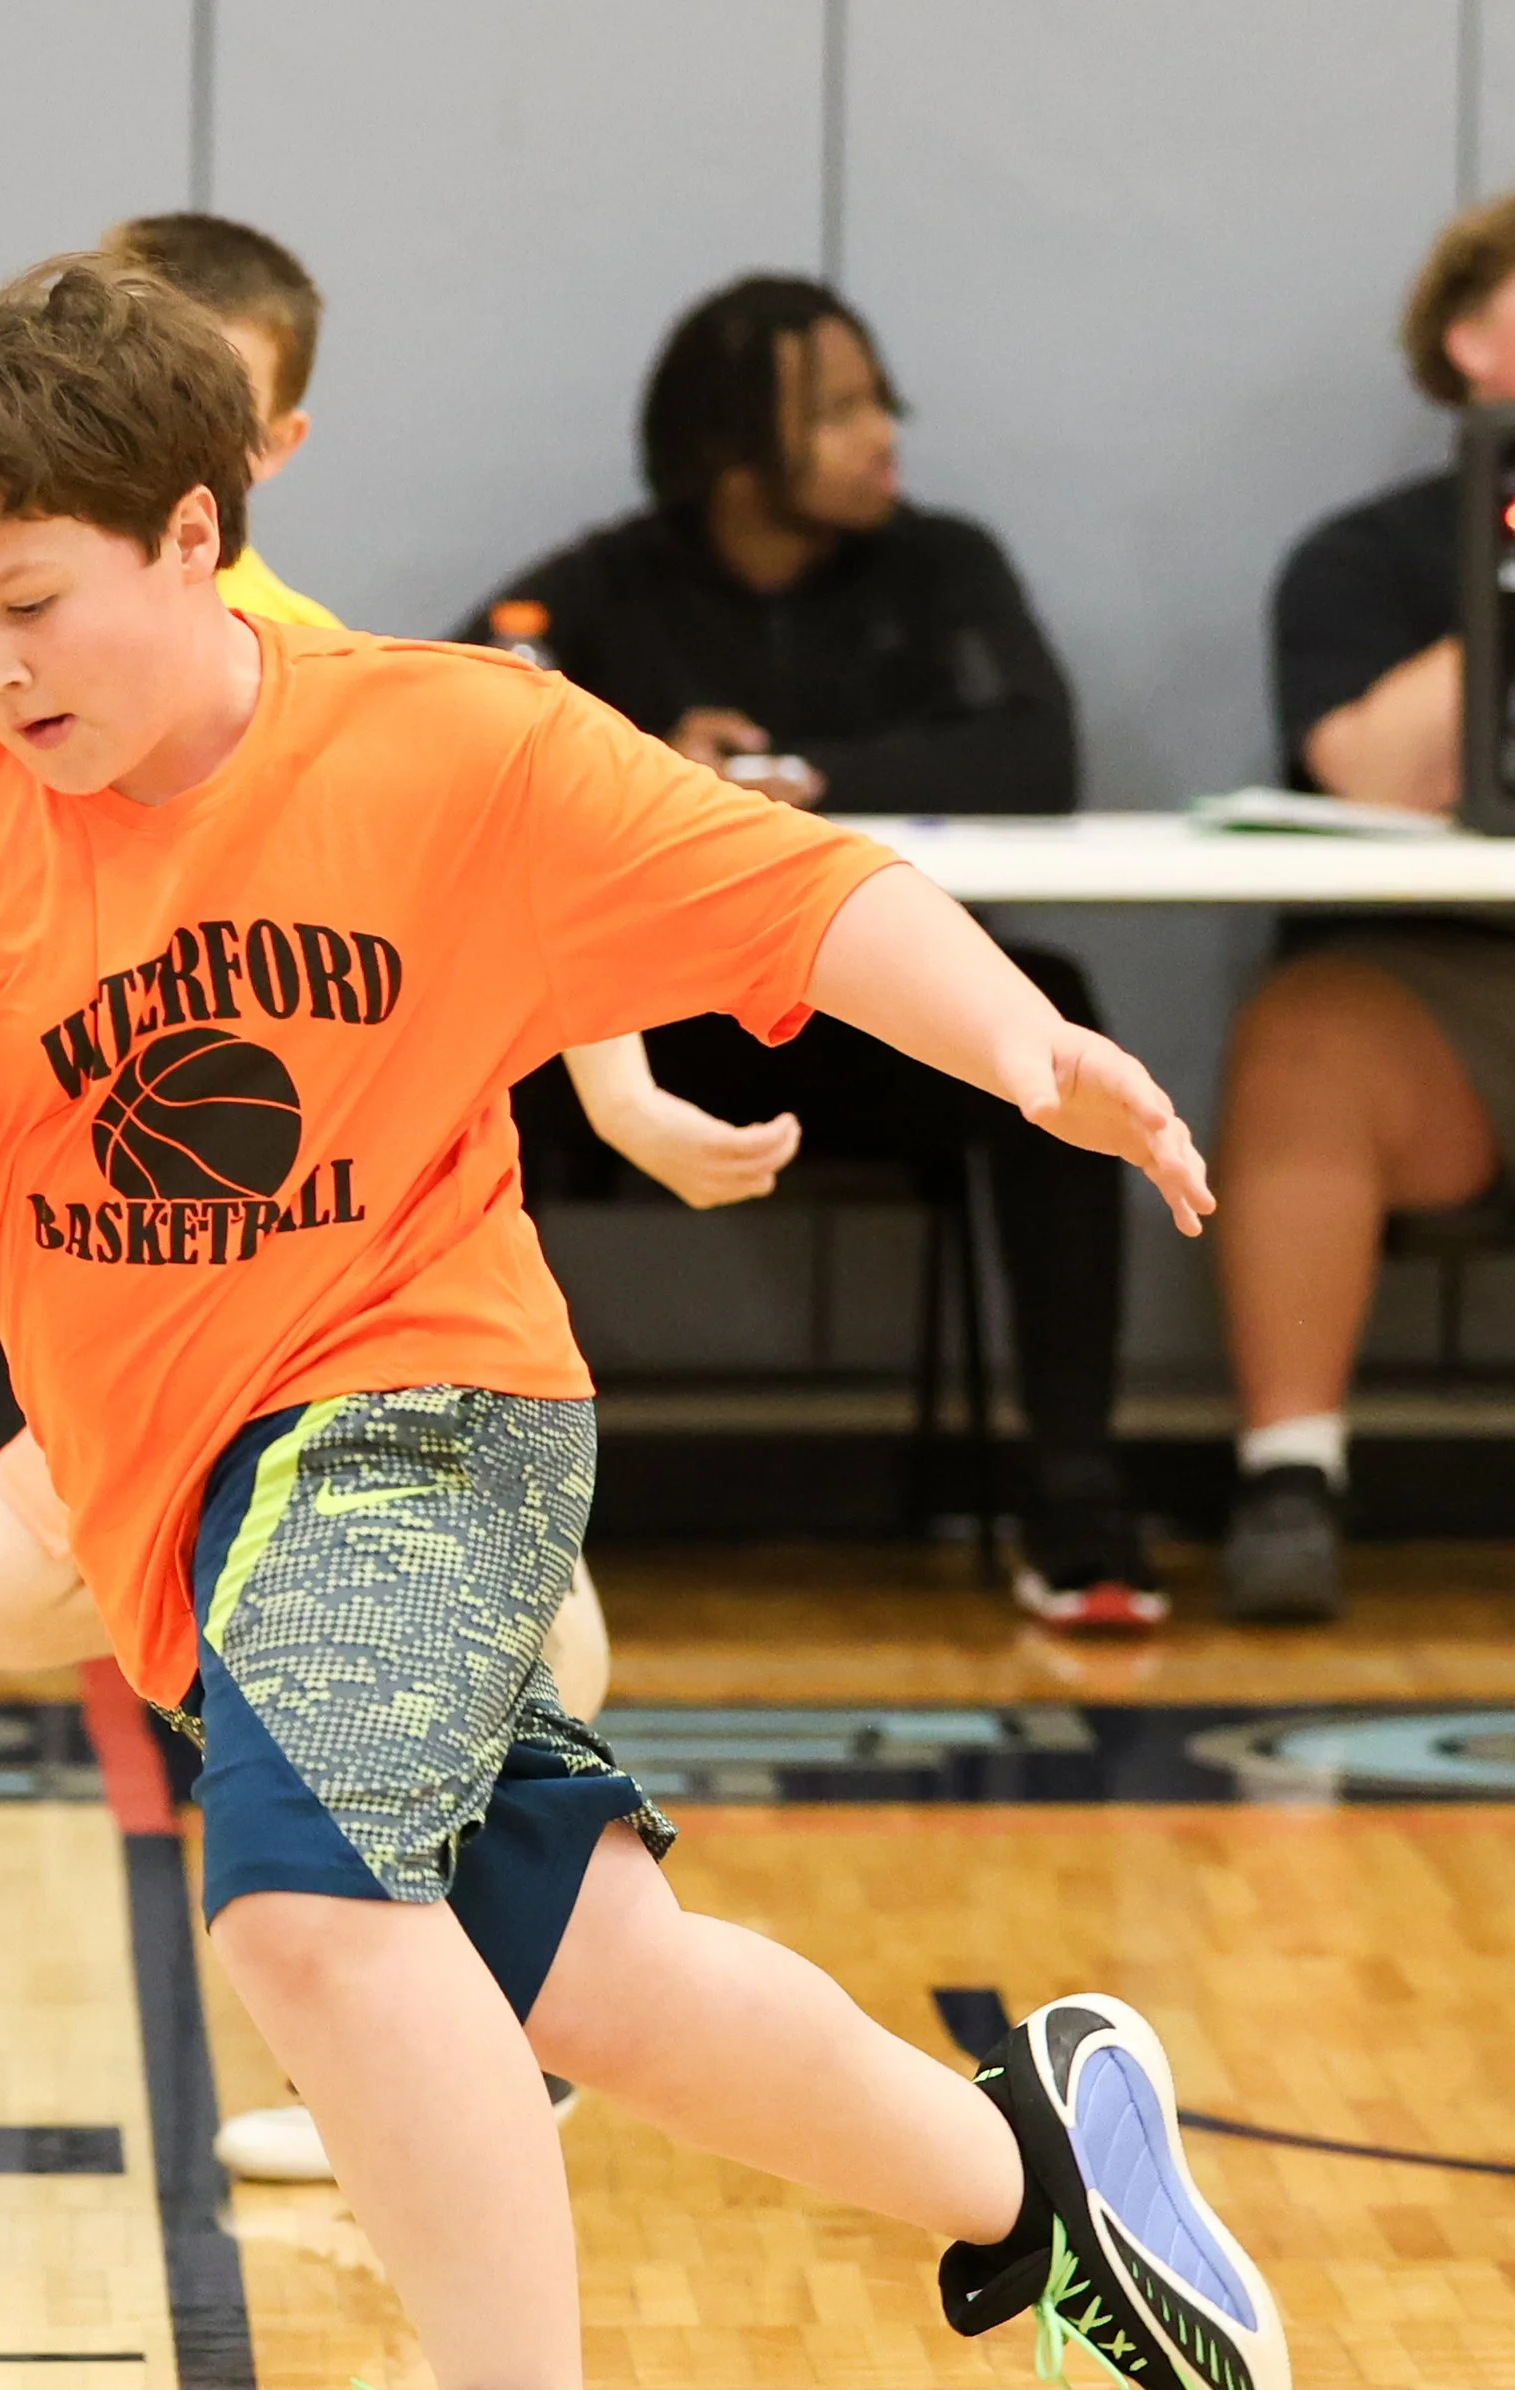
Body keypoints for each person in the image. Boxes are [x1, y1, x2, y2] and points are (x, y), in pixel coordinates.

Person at [0, 258, 1290, 2390]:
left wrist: (1026, 1043)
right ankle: (1041, 2175)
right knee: (584, 1980)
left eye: (29, 601)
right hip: (180, 1507)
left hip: (428, 1408)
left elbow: (801, 900)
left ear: (195, 536)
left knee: (300, 1923)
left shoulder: (454, 744)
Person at [0, 211, 794, 2185]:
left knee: (391, 1703)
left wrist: (631, 1093)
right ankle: (444, 1867)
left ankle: (446, 1958)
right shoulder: (27, 656)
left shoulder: (325, 680)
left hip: (369, 1332)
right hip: (151, 1328)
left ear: (248, 456)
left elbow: (530, 908)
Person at [468, 275, 1161, 1634]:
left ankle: (1075, 1491)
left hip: (863, 1024)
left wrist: (807, 778)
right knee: (456, 1065)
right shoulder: (603, 585)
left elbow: (1036, 749)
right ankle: (456, 1492)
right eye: (837, 411)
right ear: (729, 452)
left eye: (876, 398)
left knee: (1057, 1023)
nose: (881, 435)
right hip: (648, 1029)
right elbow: (469, 721)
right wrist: (652, 770)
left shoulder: (943, 565)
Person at [1211, 199, 1515, 1621]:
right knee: (1307, 1043)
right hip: (1438, 989)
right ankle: (1291, 1478)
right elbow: (1378, 771)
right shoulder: (1366, 562)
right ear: (1473, 344)